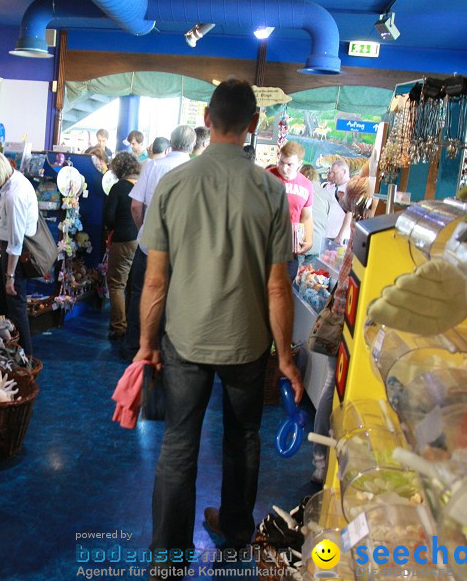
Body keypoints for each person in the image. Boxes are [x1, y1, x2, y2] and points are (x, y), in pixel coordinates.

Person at [133, 80, 302, 580]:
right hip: (248, 345)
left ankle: (168, 556)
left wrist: (146, 344)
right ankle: (233, 529)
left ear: (207, 118)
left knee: (179, 444)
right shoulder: (271, 191)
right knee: (243, 438)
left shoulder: (174, 184)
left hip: (184, 339)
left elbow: (155, 281)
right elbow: (278, 288)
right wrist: (286, 357)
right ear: (253, 124)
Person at [123, 125, 195, 359]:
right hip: (181, 249)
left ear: (170, 143)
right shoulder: (196, 171)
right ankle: (163, 350)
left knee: (139, 295)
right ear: (192, 146)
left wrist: (142, 227)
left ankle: (134, 347)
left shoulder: (153, 166)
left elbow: (135, 205)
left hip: (149, 244)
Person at [0, 149, 37, 356]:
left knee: (16, 309)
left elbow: (16, 241)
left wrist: (10, 276)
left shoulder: (14, 195)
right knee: (8, 307)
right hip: (11, 254)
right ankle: (9, 352)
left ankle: (26, 357)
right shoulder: (14, 182)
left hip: (15, 259)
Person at [102, 151, 142, 341]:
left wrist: (111, 229)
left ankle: (119, 327)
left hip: (123, 239)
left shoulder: (119, 188)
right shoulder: (143, 185)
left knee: (117, 284)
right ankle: (133, 325)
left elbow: (108, 216)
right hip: (141, 240)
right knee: (134, 285)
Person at [267, 141, 314, 280]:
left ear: (299, 164)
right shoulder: (266, 177)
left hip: (290, 250)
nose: (284, 168)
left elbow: (306, 217)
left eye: (289, 164)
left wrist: (309, 240)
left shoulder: (306, 185)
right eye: (281, 162)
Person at [322, 159, 352, 243]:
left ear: (344, 172)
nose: (331, 175)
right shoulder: (331, 188)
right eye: (331, 173)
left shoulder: (350, 190)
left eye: (335, 173)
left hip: (340, 238)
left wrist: (340, 236)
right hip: (326, 235)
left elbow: (350, 213)